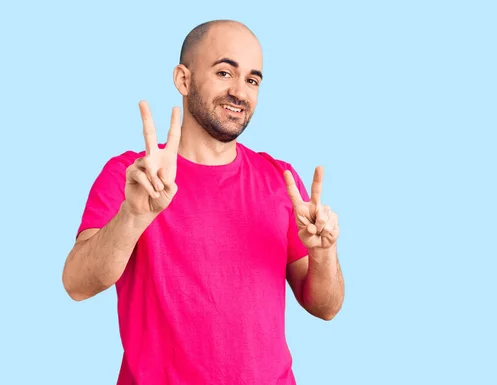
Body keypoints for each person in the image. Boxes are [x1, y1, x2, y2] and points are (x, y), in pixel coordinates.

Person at [61, 19, 345, 385]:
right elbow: (76, 284)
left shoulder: (279, 180)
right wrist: (132, 216)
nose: (240, 92)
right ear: (183, 79)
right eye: (225, 72)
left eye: (252, 80)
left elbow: (326, 307)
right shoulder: (131, 176)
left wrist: (324, 253)